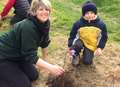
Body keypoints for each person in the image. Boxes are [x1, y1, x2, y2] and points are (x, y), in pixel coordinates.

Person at [0, 0, 64, 87]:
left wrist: (45, 62)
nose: (45, 12)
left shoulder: (45, 23)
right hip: (4, 56)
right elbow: (30, 55)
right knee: (25, 85)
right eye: (41, 9)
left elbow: (45, 43)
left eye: (47, 9)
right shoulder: (28, 27)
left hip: (19, 55)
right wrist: (51, 68)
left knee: (34, 75)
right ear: (34, 11)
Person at [68, 1, 108, 66]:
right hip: (80, 41)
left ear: (95, 13)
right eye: (87, 13)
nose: (89, 15)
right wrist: (70, 47)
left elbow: (104, 37)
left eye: (92, 13)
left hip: (91, 44)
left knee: (87, 62)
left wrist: (100, 47)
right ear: (83, 14)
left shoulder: (101, 25)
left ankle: (86, 53)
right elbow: (72, 36)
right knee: (77, 46)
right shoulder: (78, 24)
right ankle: (75, 55)